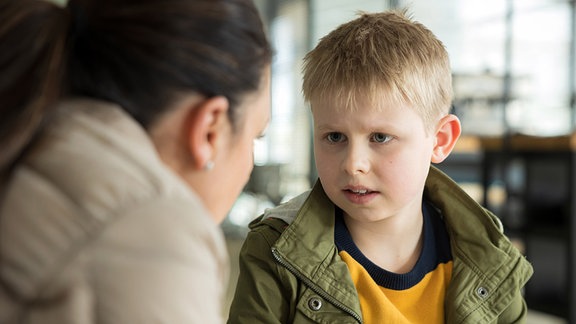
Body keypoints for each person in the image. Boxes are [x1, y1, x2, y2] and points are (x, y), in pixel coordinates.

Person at [228, 9, 533, 323]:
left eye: (380, 137)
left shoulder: (489, 254)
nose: (353, 164)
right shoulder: (274, 249)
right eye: (334, 136)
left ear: (439, 140)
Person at [0, 0, 271, 322]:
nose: (250, 162)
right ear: (209, 130)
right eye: (256, 136)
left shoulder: (29, 142)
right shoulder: (149, 229)